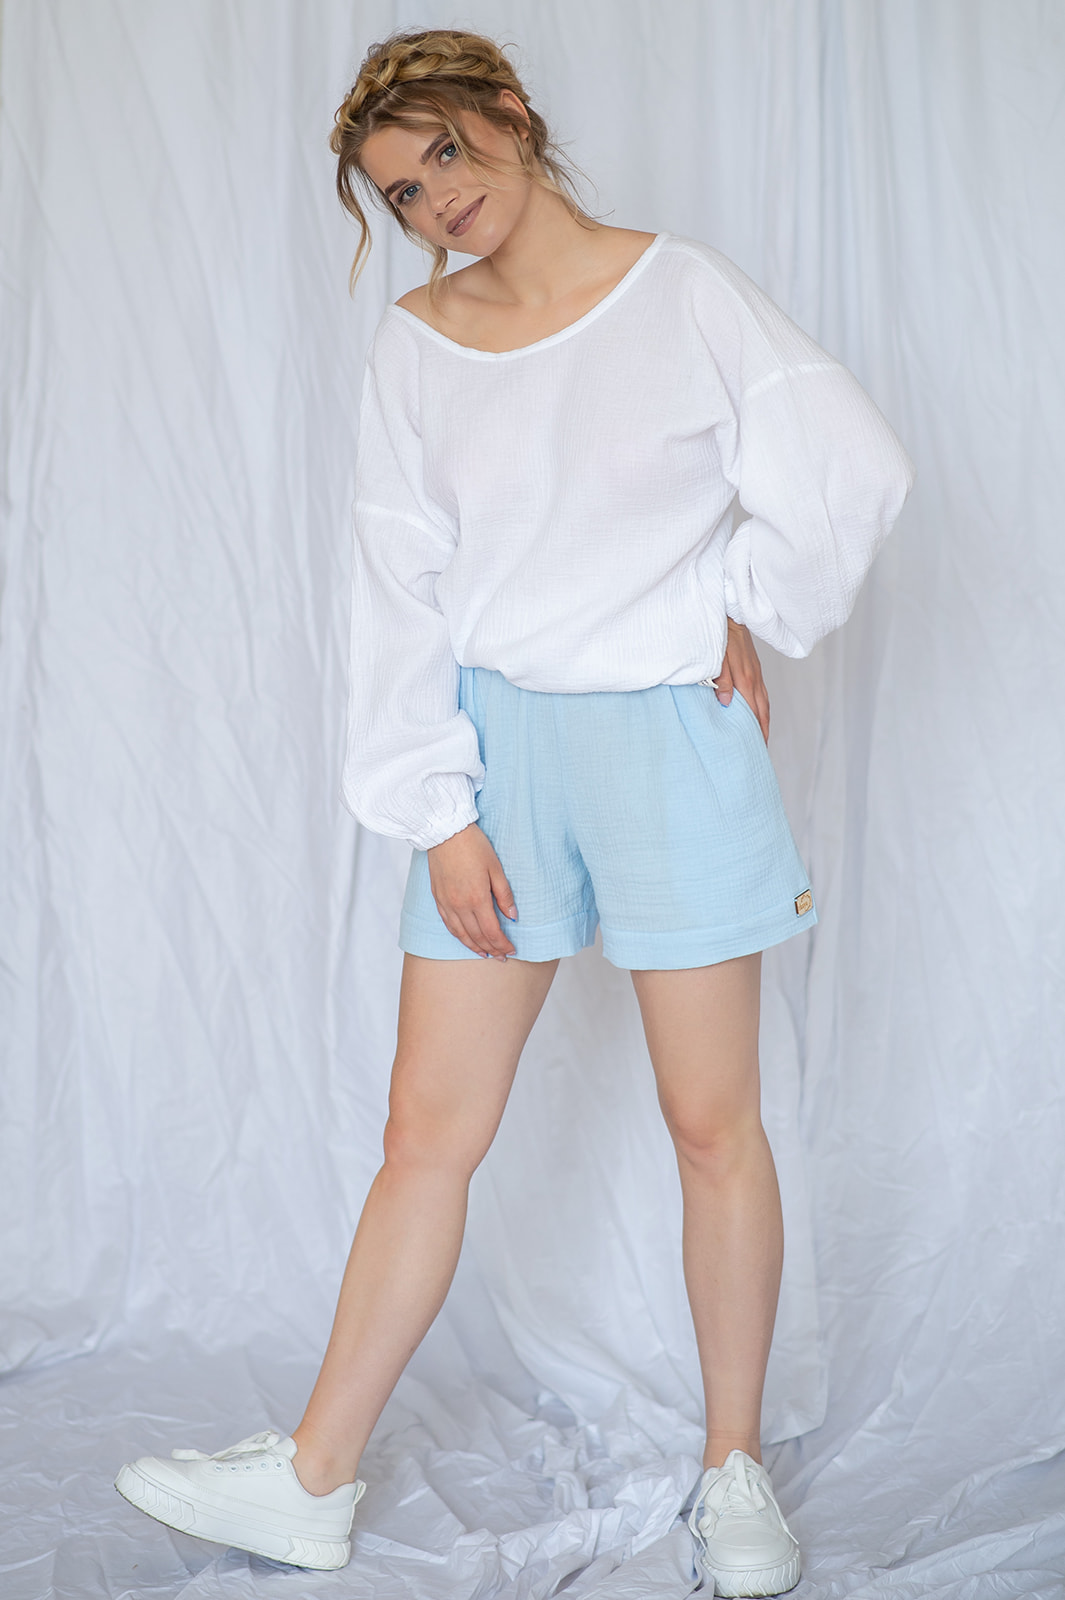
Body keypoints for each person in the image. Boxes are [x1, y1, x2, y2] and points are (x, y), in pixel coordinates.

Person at [115, 27, 914, 1595]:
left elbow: (850, 468)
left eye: (443, 159)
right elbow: (393, 588)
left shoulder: (683, 294)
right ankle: (313, 1476)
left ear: (509, 117)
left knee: (711, 1124)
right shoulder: (417, 344)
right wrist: (440, 811)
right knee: (426, 1130)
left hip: (670, 741)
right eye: (403, 195)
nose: (435, 205)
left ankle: (732, 1475)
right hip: (495, 758)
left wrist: (737, 598)